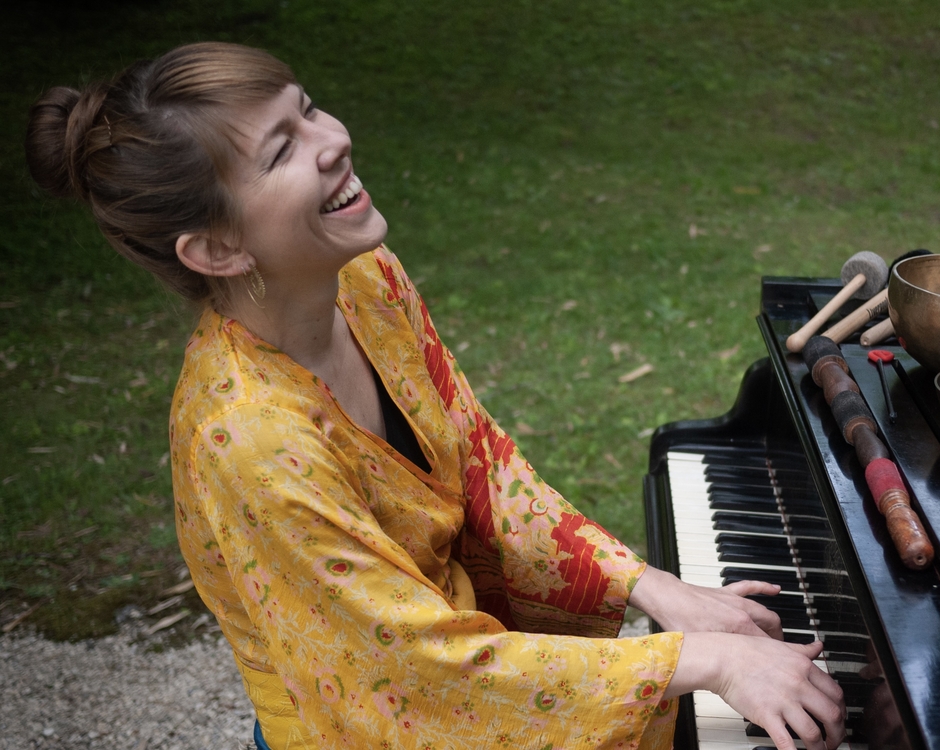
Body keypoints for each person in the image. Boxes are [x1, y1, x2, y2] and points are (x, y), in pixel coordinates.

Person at [25, 42, 845, 750]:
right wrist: (700, 660)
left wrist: (649, 586)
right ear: (216, 249)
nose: (334, 140)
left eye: (308, 109)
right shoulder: (248, 438)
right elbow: (409, 682)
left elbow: (479, 463)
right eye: (281, 150)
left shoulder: (363, 277)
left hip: (456, 667)